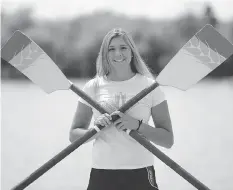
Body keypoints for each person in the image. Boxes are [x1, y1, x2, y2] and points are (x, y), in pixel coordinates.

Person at [69, 28, 174, 190]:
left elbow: (167, 140)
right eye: (111, 49)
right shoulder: (93, 87)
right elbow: (74, 135)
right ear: (105, 54)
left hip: (140, 172)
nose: (118, 53)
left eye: (123, 48)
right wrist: (96, 129)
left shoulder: (150, 86)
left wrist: (137, 125)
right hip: (102, 173)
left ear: (132, 51)